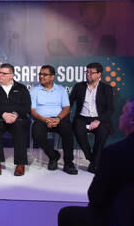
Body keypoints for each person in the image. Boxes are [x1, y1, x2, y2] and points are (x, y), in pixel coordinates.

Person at [58, 98, 134, 226]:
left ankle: (93, 161)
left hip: (118, 216)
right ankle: (90, 157)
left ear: (132, 121)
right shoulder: (80, 87)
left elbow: (96, 196)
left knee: (67, 214)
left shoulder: (114, 153)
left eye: (123, 113)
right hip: (82, 121)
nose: (120, 117)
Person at [30, 65, 78, 175]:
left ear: (52, 77)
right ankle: (53, 156)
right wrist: (44, 119)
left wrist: (58, 118)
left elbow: (66, 108)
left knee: (68, 131)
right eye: (40, 74)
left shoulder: (61, 90)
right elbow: (32, 110)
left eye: (44, 75)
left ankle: (68, 163)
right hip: (41, 119)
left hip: (59, 118)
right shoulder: (34, 90)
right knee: (36, 133)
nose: (41, 77)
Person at [0, 63, 31, 176]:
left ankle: (20, 164)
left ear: (11, 75)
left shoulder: (21, 88)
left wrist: (15, 114)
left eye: (4, 73)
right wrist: (3, 114)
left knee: (20, 128)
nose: (0, 75)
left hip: (17, 118)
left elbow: (26, 106)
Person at [70, 62, 114, 173]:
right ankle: (92, 159)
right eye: (87, 72)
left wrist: (98, 120)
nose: (88, 74)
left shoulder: (106, 89)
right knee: (78, 130)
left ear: (99, 74)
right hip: (82, 118)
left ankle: (94, 163)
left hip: (99, 119)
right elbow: (69, 103)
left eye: (91, 72)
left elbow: (110, 110)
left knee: (103, 132)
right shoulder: (79, 87)